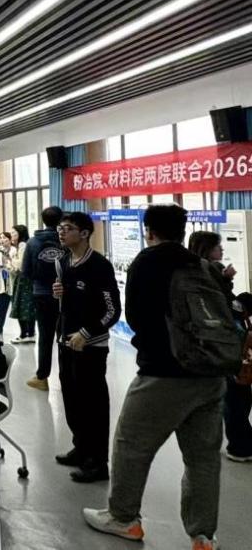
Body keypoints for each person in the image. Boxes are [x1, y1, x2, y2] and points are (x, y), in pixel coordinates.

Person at [84, 205, 227, 549]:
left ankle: (123, 518)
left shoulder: (147, 262)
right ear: (182, 229)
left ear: (148, 230)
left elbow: (136, 317)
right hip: (211, 374)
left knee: (131, 445)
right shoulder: (201, 265)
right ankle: (203, 536)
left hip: (163, 373)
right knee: (203, 459)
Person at [50, 211, 119, 484]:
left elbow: (112, 310)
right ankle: (81, 447)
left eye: (67, 228)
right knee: (71, 398)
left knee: (93, 404)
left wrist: (86, 333)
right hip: (66, 341)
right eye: (60, 227)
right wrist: (59, 294)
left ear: (85, 233)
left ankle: (98, 462)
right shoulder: (63, 262)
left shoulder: (99, 266)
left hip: (90, 346)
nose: (61, 232)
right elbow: (68, 302)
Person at [188, 230, 252, 462]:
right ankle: (240, 444)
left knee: (236, 394)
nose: (222, 250)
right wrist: (242, 300)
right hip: (223, 344)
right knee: (236, 395)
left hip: (222, 344)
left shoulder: (207, 272)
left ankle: (240, 441)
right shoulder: (205, 273)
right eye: (217, 247)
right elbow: (224, 306)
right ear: (206, 249)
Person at [21, 206, 65, 391]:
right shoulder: (66, 240)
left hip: (41, 294)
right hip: (65, 294)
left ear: (43, 220)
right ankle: (67, 376)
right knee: (65, 335)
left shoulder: (33, 242)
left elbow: (25, 271)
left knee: (45, 336)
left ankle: (42, 377)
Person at [8, 224, 35, 344]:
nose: (12, 235)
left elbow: (20, 265)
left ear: (20, 234)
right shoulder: (24, 244)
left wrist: (11, 259)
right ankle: (30, 334)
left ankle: (25, 335)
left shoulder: (22, 245)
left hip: (23, 280)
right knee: (27, 308)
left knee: (21, 307)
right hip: (26, 279)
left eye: (14, 232)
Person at [0, 231, 14, 338]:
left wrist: (6, 259)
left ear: (10, 240)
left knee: (4, 306)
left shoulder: (13, 250)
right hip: (0, 280)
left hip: (9, 280)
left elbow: (12, 265)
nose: (2, 240)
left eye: (5, 237)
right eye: (0, 238)